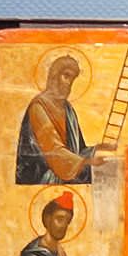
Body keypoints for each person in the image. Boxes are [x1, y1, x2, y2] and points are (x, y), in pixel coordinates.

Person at [16, 53, 96, 184]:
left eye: (73, 79)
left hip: (68, 170)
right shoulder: (38, 107)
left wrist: (96, 151)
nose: (69, 83)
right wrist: (86, 162)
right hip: (45, 178)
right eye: (66, 76)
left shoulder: (68, 109)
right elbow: (54, 151)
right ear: (54, 76)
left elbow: (79, 150)